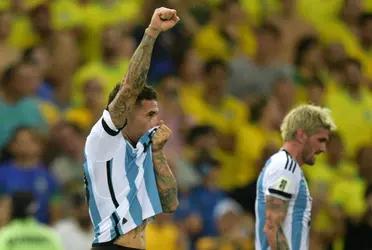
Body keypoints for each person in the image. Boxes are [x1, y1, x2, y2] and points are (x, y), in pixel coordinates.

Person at [84, 7, 179, 250]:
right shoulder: (104, 137)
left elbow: (170, 204)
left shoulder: (142, 150)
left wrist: (157, 153)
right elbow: (130, 88)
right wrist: (152, 32)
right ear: (126, 112)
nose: (157, 120)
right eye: (149, 114)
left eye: (157, 114)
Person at [255, 104, 336, 250]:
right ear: (301, 135)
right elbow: (272, 226)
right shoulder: (285, 168)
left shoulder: (288, 168)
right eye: (320, 140)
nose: (323, 149)